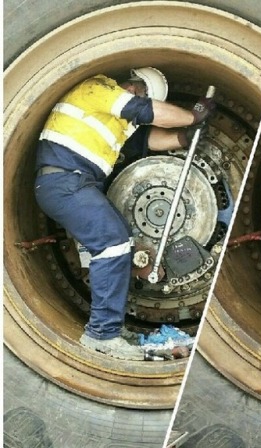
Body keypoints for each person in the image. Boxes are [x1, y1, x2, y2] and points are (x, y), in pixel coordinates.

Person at [34, 67, 216, 360]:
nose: (138, 103)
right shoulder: (97, 89)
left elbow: (145, 142)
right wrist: (193, 115)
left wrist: (185, 134)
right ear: (135, 86)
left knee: (121, 240)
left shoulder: (114, 126)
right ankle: (102, 335)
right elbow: (144, 111)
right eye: (142, 95)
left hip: (76, 184)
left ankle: (105, 328)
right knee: (112, 242)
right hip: (63, 181)